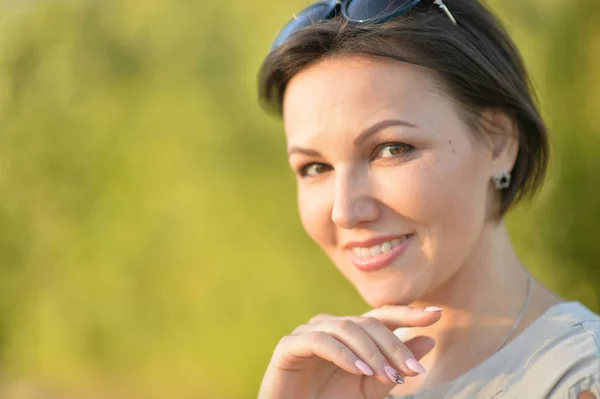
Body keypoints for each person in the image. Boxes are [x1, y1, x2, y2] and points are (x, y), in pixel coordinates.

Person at [256, 1, 600, 398]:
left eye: (392, 149)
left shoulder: (575, 379)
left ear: (498, 141)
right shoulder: (337, 382)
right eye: (315, 168)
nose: (345, 212)